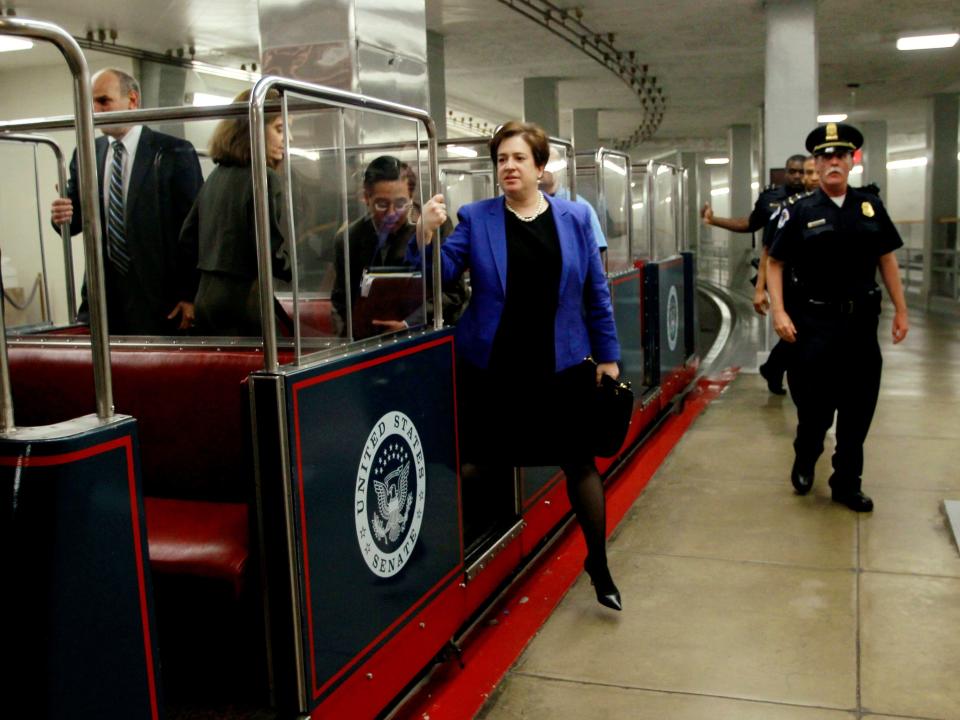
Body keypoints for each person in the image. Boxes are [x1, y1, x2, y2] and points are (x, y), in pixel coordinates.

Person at [414, 121, 623, 610]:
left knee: (580, 464)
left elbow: (596, 293)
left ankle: (599, 564)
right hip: (494, 366)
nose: (508, 166)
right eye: (501, 159)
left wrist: (609, 357)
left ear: (539, 166)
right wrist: (425, 234)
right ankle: (454, 564)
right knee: (475, 463)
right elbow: (441, 272)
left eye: (518, 159)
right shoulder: (477, 217)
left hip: (562, 363)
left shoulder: (573, 219)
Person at [766, 122, 908, 512]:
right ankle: (806, 456)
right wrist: (779, 310)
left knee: (858, 409)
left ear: (851, 161)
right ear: (816, 162)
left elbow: (887, 258)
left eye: (840, 156)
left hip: (861, 326)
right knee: (815, 409)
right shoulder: (799, 212)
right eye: (825, 156)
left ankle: (847, 482)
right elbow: (775, 262)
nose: (833, 162)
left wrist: (901, 309)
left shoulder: (870, 207)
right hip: (815, 326)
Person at [50, 67, 203, 334]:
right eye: (91, 103)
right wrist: (61, 217)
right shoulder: (87, 153)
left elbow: (195, 228)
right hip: (104, 298)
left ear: (132, 100)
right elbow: (75, 222)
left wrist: (190, 294)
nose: (95, 110)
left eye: (103, 101)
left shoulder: (172, 152)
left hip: (161, 299)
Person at [178, 88, 290, 336]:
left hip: (207, 298)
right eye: (280, 129)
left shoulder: (216, 176)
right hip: (244, 299)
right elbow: (269, 249)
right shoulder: (264, 178)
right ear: (253, 130)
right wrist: (299, 269)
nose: (287, 139)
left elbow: (187, 238)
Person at [331, 156, 467, 338]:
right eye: (382, 204)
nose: (391, 214)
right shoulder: (349, 239)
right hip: (366, 342)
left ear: (412, 197)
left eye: (401, 204)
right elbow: (341, 300)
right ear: (366, 198)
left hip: (421, 337)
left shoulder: (434, 227)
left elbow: (454, 293)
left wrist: (409, 324)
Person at [754, 155, 820, 395]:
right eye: (802, 172)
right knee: (796, 336)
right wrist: (760, 289)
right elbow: (769, 251)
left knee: (803, 337)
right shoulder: (787, 206)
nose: (804, 177)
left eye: (808, 172)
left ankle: (772, 368)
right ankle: (776, 370)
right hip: (790, 284)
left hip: (817, 287)